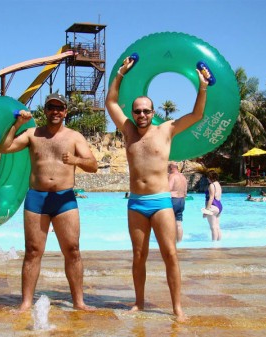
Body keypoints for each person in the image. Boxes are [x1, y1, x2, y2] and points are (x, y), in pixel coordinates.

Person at [105, 55, 209, 322]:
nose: (141, 115)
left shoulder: (166, 130)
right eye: (137, 111)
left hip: (161, 201)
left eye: (146, 111)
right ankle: (139, 302)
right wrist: (120, 74)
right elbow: (111, 102)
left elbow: (197, 115)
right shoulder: (127, 129)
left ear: (154, 113)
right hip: (136, 202)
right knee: (138, 255)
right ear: (133, 113)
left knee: (170, 254)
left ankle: (177, 307)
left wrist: (203, 85)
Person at [0, 92, 98, 313]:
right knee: (33, 251)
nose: (55, 111)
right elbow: (4, 147)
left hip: (64, 199)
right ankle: (25, 303)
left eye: (59, 108)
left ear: (65, 112)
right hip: (37, 198)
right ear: (45, 110)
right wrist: (17, 124)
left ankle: (79, 302)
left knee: (72, 250)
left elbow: (93, 165)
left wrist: (76, 160)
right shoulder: (32, 134)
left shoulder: (74, 137)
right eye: (51, 107)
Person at [168, 162, 187, 242]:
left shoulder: (172, 176)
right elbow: (185, 191)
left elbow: (168, 189)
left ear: (171, 168)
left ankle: (169, 242)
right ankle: (179, 242)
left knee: (168, 222)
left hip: (173, 200)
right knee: (178, 223)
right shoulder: (183, 177)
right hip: (182, 200)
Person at [203, 170, 223, 241]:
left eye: (208, 177)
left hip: (213, 206)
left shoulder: (211, 185)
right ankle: (219, 243)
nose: (207, 179)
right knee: (217, 226)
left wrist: (206, 210)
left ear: (210, 177)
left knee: (213, 227)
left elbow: (211, 198)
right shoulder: (218, 184)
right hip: (219, 206)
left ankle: (214, 244)